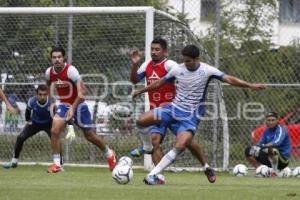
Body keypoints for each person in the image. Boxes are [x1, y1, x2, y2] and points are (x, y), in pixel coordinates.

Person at [132, 44, 266, 185]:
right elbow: (159, 82)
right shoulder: (178, 69)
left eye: (188, 61)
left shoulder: (207, 70)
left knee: (181, 145)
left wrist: (250, 85)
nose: (186, 63)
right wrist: (141, 90)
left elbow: (229, 79)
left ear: (197, 59)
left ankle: (153, 174)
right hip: (172, 109)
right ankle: (147, 148)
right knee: (141, 120)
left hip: (191, 116)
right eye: (184, 60)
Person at [129, 37, 216, 183]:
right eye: (152, 49)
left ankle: (206, 166)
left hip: (175, 109)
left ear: (165, 52)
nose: (154, 52)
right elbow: (133, 80)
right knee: (155, 142)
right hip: (158, 111)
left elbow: (184, 80)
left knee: (187, 143)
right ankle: (158, 176)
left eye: (157, 49)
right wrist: (134, 65)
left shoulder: (170, 65)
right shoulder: (147, 65)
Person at [45, 46, 116, 173]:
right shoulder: (49, 72)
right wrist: (51, 103)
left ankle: (110, 154)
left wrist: (73, 108)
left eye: (59, 57)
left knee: (90, 136)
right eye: (54, 57)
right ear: (51, 59)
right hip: (64, 105)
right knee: (54, 130)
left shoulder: (70, 71)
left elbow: (83, 91)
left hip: (80, 105)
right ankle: (57, 165)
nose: (57, 60)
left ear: (63, 58)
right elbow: (48, 85)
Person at [2, 85, 58, 169]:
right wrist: (28, 121)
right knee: (20, 137)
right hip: (35, 123)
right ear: (36, 95)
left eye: (44, 94)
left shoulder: (52, 102)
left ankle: (59, 163)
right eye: (40, 94)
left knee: (56, 140)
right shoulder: (31, 101)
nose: (42, 97)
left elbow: (56, 114)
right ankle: (14, 161)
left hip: (48, 124)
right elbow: (27, 113)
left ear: (47, 95)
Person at [245, 111, 291, 177]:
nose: (271, 122)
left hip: (283, 160)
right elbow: (259, 144)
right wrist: (256, 148)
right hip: (270, 158)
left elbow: (277, 142)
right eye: (268, 120)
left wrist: (263, 147)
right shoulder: (266, 131)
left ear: (277, 120)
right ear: (266, 121)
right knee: (249, 150)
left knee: (272, 150)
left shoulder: (282, 129)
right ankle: (260, 170)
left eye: (273, 120)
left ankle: (274, 173)